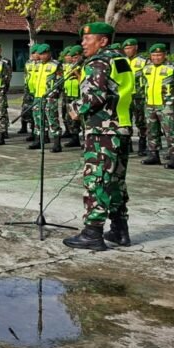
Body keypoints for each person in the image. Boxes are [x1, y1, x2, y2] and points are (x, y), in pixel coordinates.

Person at [63, 22, 134, 251]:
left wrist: (74, 109)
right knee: (116, 182)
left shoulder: (99, 61)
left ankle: (92, 233)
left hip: (103, 130)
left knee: (97, 180)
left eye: (88, 39)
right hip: (121, 127)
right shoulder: (120, 59)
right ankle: (119, 230)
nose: (83, 43)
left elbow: (95, 95)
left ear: (103, 41)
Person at [140, 43, 174, 169]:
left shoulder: (173, 67)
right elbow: (143, 84)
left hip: (166, 106)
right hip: (150, 104)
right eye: (154, 55)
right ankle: (153, 155)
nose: (156, 57)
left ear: (165, 55)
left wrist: (171, 100)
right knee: (152, 131)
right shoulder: (147, 68)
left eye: (159, 55)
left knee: (171, 132)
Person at [28, 45, 62, 153]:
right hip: (38, 96)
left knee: (52, 119)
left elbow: (60, 81)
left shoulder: (55, 65)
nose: (42, 56)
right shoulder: (37, 65)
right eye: (40, 54)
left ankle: (57, 143)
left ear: (49, 53)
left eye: (44, 54)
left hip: (50, 97)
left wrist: (54, 94)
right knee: (37, 118)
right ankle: (38, 140)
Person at [121, 39, 149, 156]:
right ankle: (128, 145)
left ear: (136, 48)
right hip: (126, 96)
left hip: (139, 96)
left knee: (141, 121)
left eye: (130, 48)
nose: (127, 51)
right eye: (125, 49)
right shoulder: (121, 62)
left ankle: (142, 145)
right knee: (126, 121)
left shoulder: (144, 61)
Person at [61, 46, 84, 148]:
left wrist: (77, 74)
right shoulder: (69, 66)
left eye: (75, 57)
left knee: (82, 119)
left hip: (79, 95)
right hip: (69, 94)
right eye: (72, 57)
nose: (73, 59)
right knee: (70, 118)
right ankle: (75, 139)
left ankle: (86, 141)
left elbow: (84, 82)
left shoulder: (84, 66)